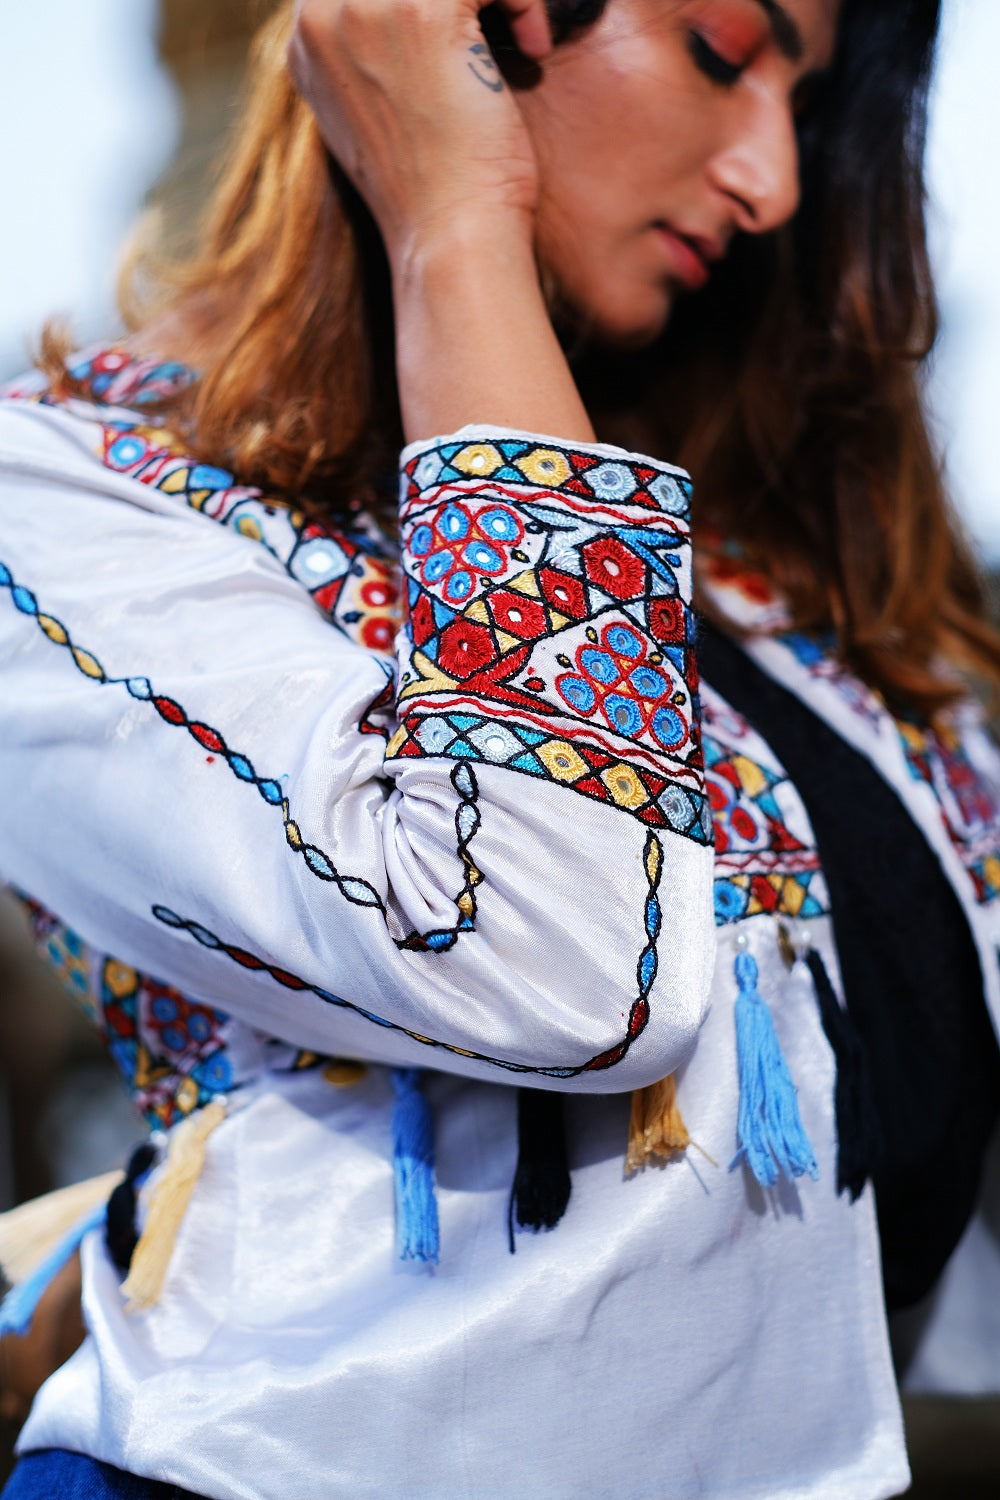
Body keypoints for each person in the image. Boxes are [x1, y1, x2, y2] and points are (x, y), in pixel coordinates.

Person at [2, 0, 1000, 1495]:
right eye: (726, 50)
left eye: (809, 96)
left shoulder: (740, 554)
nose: (775, 180)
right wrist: (454, 223)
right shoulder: (70, 497)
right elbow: (557, 962)